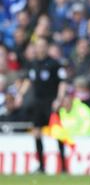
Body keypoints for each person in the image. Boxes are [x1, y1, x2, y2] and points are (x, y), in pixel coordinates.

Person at [15, 38, 68, 173]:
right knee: (37, 133)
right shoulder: (32, 63)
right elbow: (28, 80)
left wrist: (59, 99)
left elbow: (62, 82)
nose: (40, 48)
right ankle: (41, 166)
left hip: (51, 102)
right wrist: (20, 94)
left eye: (43, 46)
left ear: (47, 47)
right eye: (38, 46)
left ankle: (63, 166)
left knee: (57, 133)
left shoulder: (54, 63)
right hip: (37, 103)